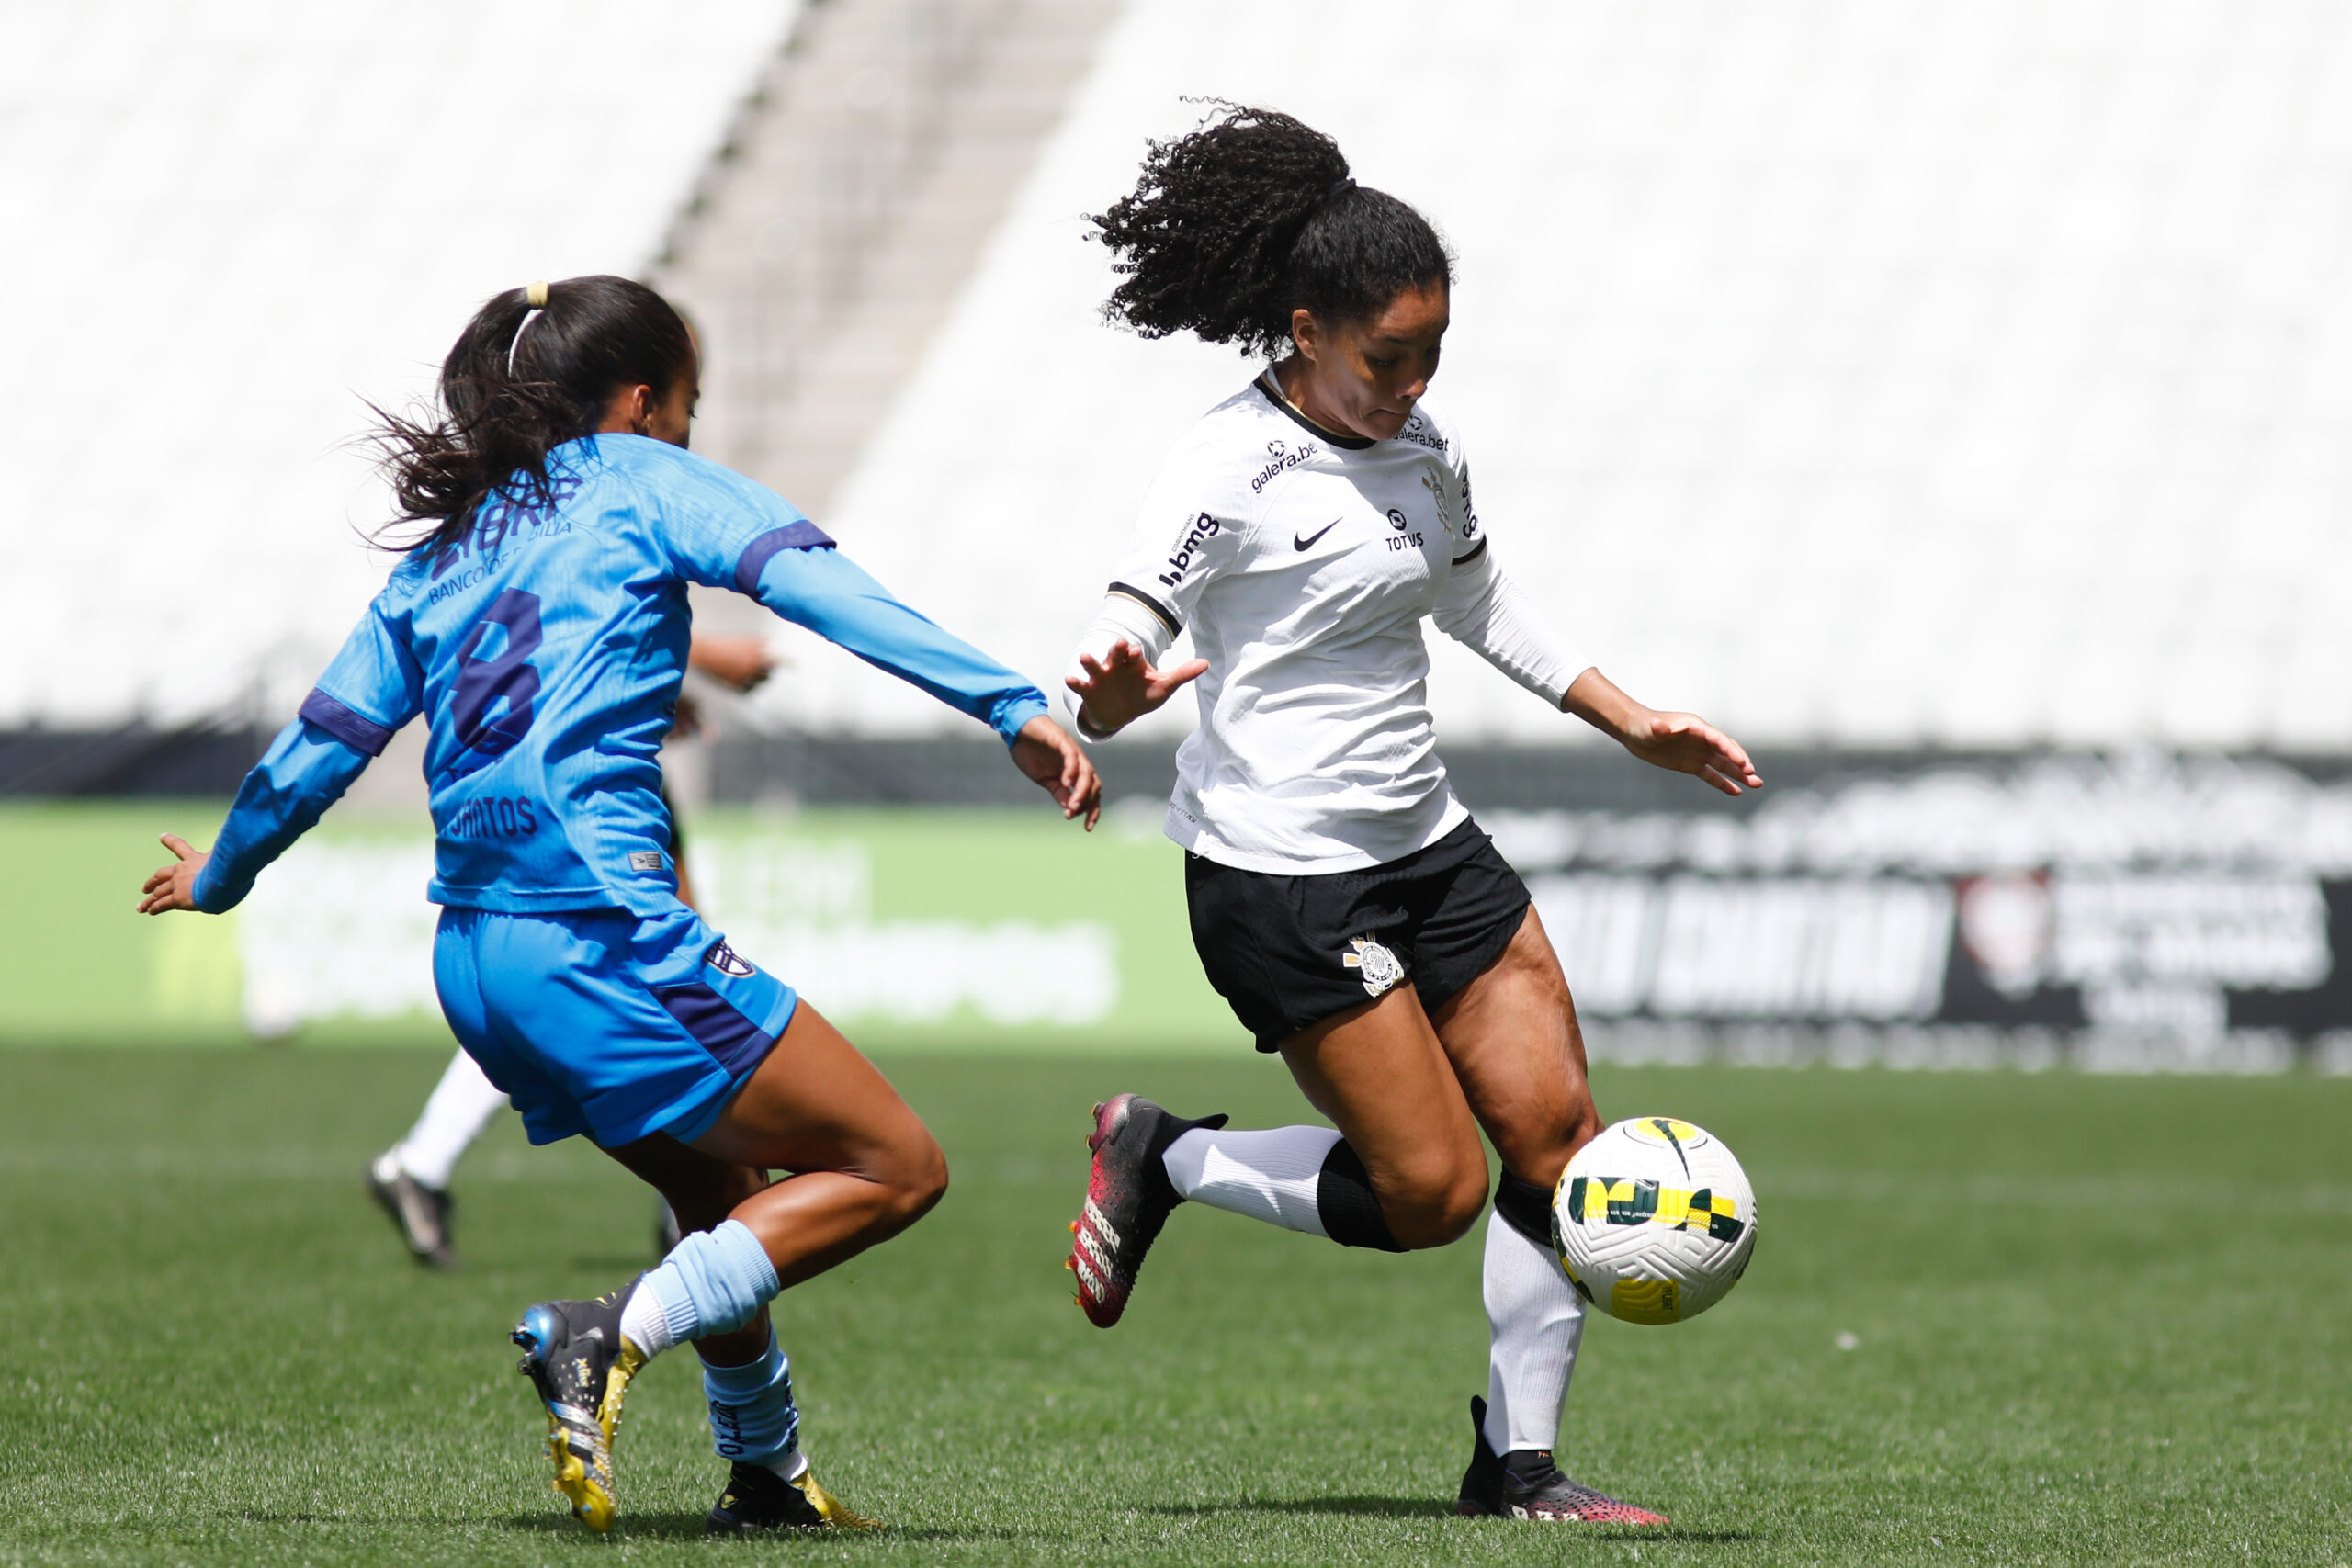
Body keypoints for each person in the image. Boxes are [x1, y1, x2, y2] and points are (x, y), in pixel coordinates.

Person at [139, 275, 1102, 1535]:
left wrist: (226, 868)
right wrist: (1009, 704)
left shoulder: (453, 549)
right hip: (603, 936)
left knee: (724, 1187)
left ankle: (764, 1472)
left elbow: (327, 734)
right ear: (644, 399)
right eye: (688, 406)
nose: (692, 432)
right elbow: (823, 586)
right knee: (895, 1163)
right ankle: (609, 1328)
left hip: (478, 960)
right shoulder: (638, 474)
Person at [1057, 107, 1759, 1527]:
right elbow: (1124, 636)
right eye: (1388, 355)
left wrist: (1634, 719)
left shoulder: (1422, 441)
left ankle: (1520, 1468)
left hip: (1430, 846)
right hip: (1284, 876)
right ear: (1306, 330)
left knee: (1559, 1140)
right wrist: (1115, 698)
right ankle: (1165, 1152)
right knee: (1430, 1190)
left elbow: (1479, 596)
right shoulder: (1225, 468)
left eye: (1433, 350)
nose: (1414, 379)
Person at [367, 631, 776, 1270]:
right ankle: (693, 1201)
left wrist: (659, 695)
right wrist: (708, 655)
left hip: (578, 769)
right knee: (630, 972)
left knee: (596, 981)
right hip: (565, 783)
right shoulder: (568, 549)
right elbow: (595, 596)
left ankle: (424, 1159)